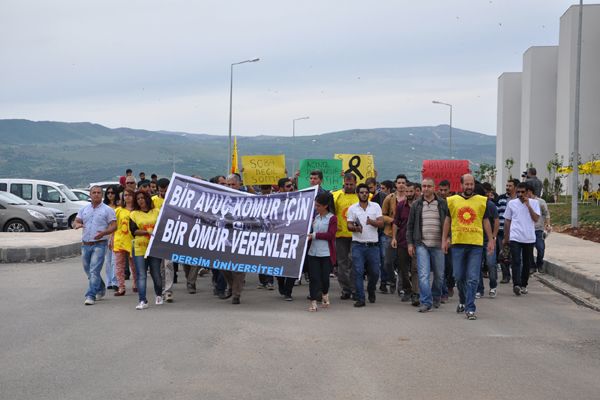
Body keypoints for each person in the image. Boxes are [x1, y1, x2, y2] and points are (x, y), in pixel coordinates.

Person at [443, 174, 495, 320]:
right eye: (466, 184)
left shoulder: (481, 201)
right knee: (458, 276)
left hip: (476, 244)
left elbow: (486, 221)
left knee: (472, 278)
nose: (469, 187)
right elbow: (447, 221)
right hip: (458, 243)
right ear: (461, 185)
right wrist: (444, 239)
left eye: (471, 184)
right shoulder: (452, 201)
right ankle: (462, 300)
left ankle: (470, 308)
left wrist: (491, 240)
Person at [406, 178, 449, 312]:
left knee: (439, 275)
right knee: (423, 275)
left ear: (434, 187)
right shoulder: (416, 205)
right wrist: (410, 244)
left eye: (429, 186)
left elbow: (449, 223)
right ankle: (426, 301)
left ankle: (436, 296)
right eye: (424, 186)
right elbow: (410, 226)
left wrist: (448, 238)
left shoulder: (442, 204)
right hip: (422, 244)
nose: (426, 189)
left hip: (439, 245)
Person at [73, 186, 117, 306]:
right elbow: (76, 221)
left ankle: (90, 295)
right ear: (90, 194)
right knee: (89, 270)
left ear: (102, 195)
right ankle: (101, 288)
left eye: (98, 193)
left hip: (100, 244)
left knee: (94, 270)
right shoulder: (84, 209)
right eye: (94, 192)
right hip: (85, 244)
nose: (96, 194)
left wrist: (104, 233)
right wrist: (77, 224)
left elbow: (114, 226)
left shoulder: (107, 210)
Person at [346, 183, 383, 307]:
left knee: (375, 272)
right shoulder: (352, 208)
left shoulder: (376, 206)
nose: (364, 194)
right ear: (357, 194)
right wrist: (355, 228)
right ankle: (360, 298)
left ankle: (371, 290)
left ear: (369, 194)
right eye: (361, 192)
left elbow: (381, 223)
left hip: (373, 245)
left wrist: (371, 222)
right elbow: (349, 225)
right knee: (358, 271)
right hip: (358, 245)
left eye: (366, 192)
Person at [503, 182, 540, 296]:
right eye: (518, 192)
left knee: (527, 263)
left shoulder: (534, 203)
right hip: (515, 236)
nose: (520, 194)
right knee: (516, 261)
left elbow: (535, 219)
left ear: (528, 192)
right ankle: (516, 285)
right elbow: (507, 220)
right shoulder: (511, 203)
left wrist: (528, 205)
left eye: (522, 192)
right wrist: (506, 237)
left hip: (529, 237)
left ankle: (524, 284)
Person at [130, 190, 162, 310]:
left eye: (142, 198)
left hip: (154, 247)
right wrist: (146, 232)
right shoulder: (133, 214)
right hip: (139, 247)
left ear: (147, 199)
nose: (140, 200)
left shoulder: (157, 212)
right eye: (138, 199)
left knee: (156, 273)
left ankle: (158, 294)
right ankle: (142, 300)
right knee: (141, 275)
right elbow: (133, 231)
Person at [306, 192, 337, 311]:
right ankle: (313, 301)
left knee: (324, 278)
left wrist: (314, 235)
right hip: (313, 252)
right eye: (316, 205)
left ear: (325, 206)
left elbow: (331, 235)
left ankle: (325, 293)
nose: (316, 207)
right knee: (314, 278)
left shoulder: (332, 218)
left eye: (318, 206)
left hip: (326, 253)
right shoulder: (315, 218)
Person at [332, 173, 360, 300]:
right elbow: (331, 213)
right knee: (342, 264)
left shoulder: (362, 196)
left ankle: (355, 289)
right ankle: (345, 289)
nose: (349, 186)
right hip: (341, 235)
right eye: (346, 184)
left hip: (357, 235)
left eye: (351, 184)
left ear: (356, 183)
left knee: (354, 263)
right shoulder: (336, 195)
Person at [391, 182, 419, 306]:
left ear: (415, 192)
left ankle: (415, 293)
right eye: (406, 192)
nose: (408, 194)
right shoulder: (401, 205)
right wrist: (393, 238)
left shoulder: (420, 205)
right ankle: (407, 289)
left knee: (415, 269)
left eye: (410, 192)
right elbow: (396, 222)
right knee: (403, 269)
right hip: (402, 241)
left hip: (417, 242)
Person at [221, 173, 247, 304]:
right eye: (228, 184)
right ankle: (231, 286)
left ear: (239, 184)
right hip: (225, 237)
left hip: (242, 238)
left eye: (233, 184)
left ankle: (236, 294)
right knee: (223, 266)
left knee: (239, 268)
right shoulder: (221, 198)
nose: (230, 187)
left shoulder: (248, 199)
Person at [381, 175, 407, 295]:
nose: (401, 185)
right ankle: (392, 279)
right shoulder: (389, 198)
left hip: (404, 235)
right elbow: (382, 215)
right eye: (399, 182)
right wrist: (393, 221)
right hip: (390, 233)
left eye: (403, 182)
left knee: (403, 263)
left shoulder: (410, 198)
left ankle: (401, 287)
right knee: (387, 262)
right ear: (395, 185)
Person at [275, 177, 297, 300]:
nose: (291, 188)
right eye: (288, 186)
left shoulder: (299, 199)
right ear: (281, 188)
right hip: (278, 238)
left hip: (294, 237)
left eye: (292, 185)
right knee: (280, 265)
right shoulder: (273, 200)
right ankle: (281, 283)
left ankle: (288, 291)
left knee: (294, 264)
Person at [113, 188, 137, 296]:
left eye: (129, 195)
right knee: (119, 266)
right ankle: (121, 287)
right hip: (120, 241)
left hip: (133, 241)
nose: (127, 197)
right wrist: (111, 238)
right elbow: (114, 225)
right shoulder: (119, 210)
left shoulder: (137, 211)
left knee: (134, 265)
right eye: (125, 195)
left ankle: (136, 284)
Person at [496, 179, 518, 283]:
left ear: (516, 187)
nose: (507, 187)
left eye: (510, 186)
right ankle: (505, 276)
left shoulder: (520, 200)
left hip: (516, 232)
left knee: (516, 255)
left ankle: (517, 275)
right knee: (503, 254)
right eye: (507, 185)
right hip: (502, 231)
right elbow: (496, 214)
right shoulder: (501, 199)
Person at [530, 187, 551, 273]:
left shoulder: (541, 202)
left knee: (541, 248)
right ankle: (532, 266)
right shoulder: (523, 202)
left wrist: (547, 224)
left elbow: (546, 214)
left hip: (539, 229)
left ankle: (539, 264)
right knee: (529, 250)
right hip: (528, 230)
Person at [103, 185, 119, 291]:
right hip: (105, 235)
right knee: (107, 260)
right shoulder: (103, 207)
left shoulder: (119, 207)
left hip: (116, 235)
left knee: (115, 260)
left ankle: (115, 281)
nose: (110, 195)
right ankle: (108, 281)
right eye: (108, 193)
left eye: (112, 193)